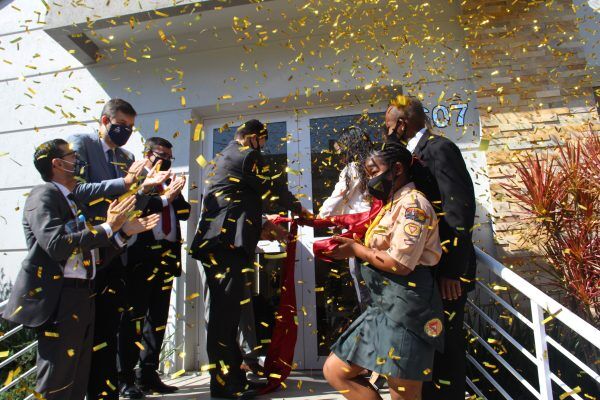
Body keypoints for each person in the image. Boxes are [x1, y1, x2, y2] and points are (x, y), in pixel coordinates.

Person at [1, 139, 159, 400]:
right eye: (72, 156)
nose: (77, 160)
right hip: (61, 298)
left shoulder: (73, 200)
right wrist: (109, 227)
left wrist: (123, 233)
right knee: (57, 378)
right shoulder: (44, 194)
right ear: (56, 163)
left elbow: (93, 254)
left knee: (78, 375)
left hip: (83, 296)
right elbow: (56, 245)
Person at [190, 119, 311, 399]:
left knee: (228, 316)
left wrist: (262, 221)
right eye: (262, 141)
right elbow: (273, 186)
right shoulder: (246, 155)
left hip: (222, 244)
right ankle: (223, 386)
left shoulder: (226, 157)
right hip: (225, 244)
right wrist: (298, 210)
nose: (263, 148)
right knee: (224, 318)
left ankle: (233, 379)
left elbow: (239, 199)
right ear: (253, 138)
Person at [68, 99, 174, 400]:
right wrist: (125, 181)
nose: (125, 132)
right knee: (86, 335)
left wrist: (144, 189)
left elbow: (131, 205)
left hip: (116, 251)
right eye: (121, 126)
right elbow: (78, 192)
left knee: (109, 330)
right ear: (104, 122)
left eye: (130, 128)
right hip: (87, 248)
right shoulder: (82, 144)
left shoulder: (126, 156)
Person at [322, 142, 444, 400]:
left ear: (397, 168)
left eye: (373, 170)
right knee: (335, 371)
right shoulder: (390, 205)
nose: (370, 179)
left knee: (404, 393)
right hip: (382, 306)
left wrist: (357, 250)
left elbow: (400, 264)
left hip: (407, 308)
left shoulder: (414, 205)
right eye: (367, 173)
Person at [385, 96, 476, 400]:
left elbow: (459, 210)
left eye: (388, 125)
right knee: (428, 350)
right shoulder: (411, 156)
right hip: (425, 275)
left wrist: (452, 271)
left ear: (401, 124)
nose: (386, 132)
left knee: (446, 350)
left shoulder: (438, 148)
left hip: (445, 276)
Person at [117, 137, 190, 395]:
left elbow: (184, 213)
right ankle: (124, 378)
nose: (166, 160)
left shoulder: (168, 180)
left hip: (167, 256)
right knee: (134, 320)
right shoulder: (135, 179)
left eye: (169, 156)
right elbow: (135, 206)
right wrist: (159, 192)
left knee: (157, 320)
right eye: (161, 155)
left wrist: (175, 192)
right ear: (147, 155)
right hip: (141, 258)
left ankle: (147, 375)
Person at [318, 126, 373, 310]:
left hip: (359, 235)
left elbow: (338, 196)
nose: (339, 154)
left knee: (365, 292)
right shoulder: (373, 164)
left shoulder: (353, 168)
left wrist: (320, 217)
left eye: (341, 149)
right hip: (374, 232)